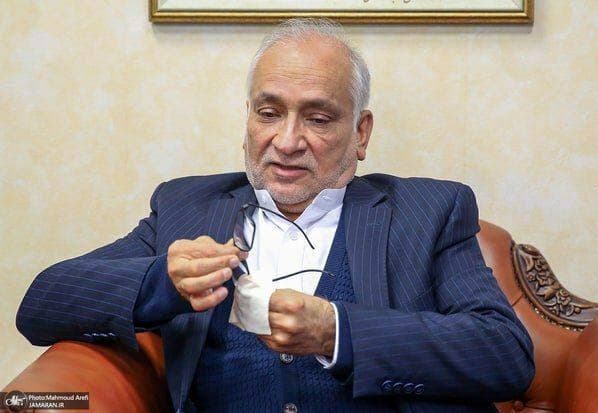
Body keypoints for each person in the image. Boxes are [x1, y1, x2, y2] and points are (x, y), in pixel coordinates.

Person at [17, 18, 534, 413]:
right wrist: (162, 281)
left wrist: (337, 333)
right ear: (248, 119)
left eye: (318, 118)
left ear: (361, 134)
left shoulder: (428, 212)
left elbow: (507, 355)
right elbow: (42, 303)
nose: (287, 142)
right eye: (269, 113)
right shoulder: (186, 207)